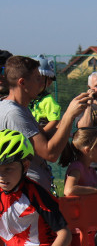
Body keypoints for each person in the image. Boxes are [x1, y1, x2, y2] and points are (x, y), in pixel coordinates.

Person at [0, 56, 85, 190]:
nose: (42, 84)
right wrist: (69, 115)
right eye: (37, 78)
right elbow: (50, 153)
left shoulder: (21, 108)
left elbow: (43, 136)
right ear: (22, 83)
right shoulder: (14, 113)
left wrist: (64, 130)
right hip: (26, 198)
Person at [29, 56, 61, 134]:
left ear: (48, 82)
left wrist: (41, 134)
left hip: (41, 136)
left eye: (39, 79)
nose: (34, 83)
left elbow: (54, 120)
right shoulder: (27, 99)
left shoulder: (48, 100)